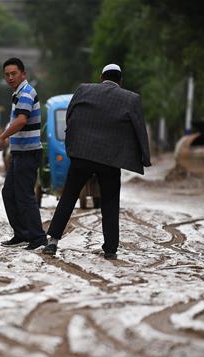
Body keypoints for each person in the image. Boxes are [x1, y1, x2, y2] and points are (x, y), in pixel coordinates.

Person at [43, 64, 151, 260]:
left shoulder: (83, 89)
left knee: (68, 197)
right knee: (110, 202)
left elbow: (70, 116)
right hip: (110, 160)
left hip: (81, 155)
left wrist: (72, 144)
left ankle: (52, 242)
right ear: (121, 81)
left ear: (101, 78)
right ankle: (110, 250)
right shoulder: (131, 99)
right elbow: (139, 129)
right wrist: (145, 157)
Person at [0, 57, 47, 250]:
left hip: (28, 153)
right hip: (19, 153)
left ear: (23, 74)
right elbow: (18, 122)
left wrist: (3, 137)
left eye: (14, 73)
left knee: (24, 196)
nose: (10, 77)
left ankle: (38, 237)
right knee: (9, 193)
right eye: (7, 75)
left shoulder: (26, 92)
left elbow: (21, 120)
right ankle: (22, 234)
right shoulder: (17, 94)